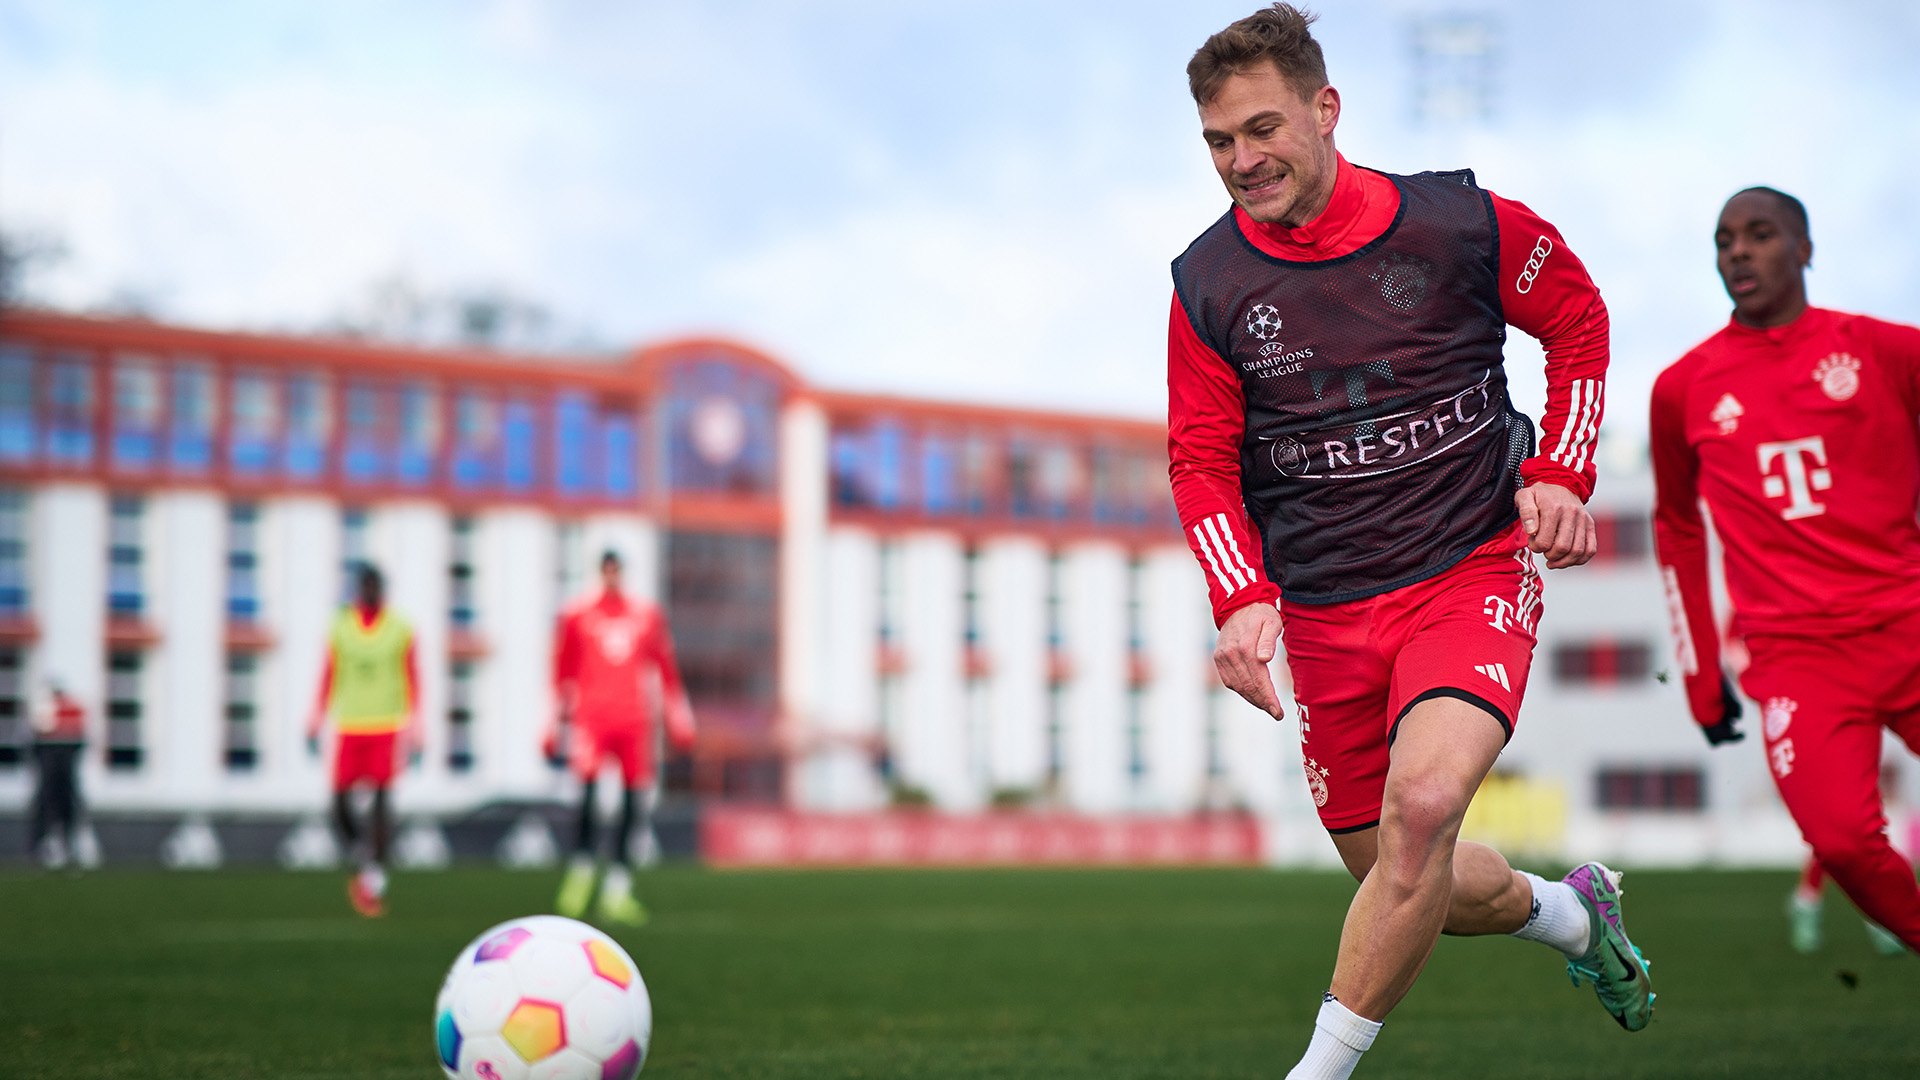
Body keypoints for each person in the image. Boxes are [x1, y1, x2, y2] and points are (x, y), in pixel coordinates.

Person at [1168, 7, 1646, 1075]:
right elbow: (1200, 459)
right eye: (1218, 143)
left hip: (1466, 570)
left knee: (1423, 808)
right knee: (1398, 867)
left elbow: (1579, 321)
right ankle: (1573, 916)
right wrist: (1241, 595)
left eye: (1262, 130)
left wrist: (1560, 470)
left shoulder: (1461, 226)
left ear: (1326, 111)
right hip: (1327, 608)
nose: (1243, 162)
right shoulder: (1206, 286)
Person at [1650, 185, 1920, 957]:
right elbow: (1674, 529)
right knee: (1842, 843)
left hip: (1907, 621)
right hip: (1800, 659)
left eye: (1760, 234)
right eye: (1724, 238)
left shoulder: (1884, 350)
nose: (1737, 250)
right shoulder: (1683, 388)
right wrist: (1701, 674)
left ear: (1804, 249)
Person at [548, 550, 695, 926]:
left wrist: (678, 718)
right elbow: (560, 672)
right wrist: (552, 722)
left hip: (634, 721)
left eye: (616, 569)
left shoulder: (646, 615)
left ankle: (618, 886)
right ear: (600, 572)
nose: (611, 575)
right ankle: (580, 875)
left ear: (622, 573)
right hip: (592, 721)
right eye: (606, 569)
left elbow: (665, 670)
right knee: (587, 795)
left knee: (633, 802)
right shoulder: (577, 615)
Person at [305, 564, 420, 918]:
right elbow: (329, 672)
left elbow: (413, 676)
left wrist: (416, 726)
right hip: (350, 724)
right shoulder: (340, 626)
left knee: (383, 801)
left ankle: (374, 875)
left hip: (385, 724)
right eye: (365, 585)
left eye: (375, 585)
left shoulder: (400, 627)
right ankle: (361, 853)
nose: (370, 591)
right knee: (339, 804)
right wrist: (315, 718)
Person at [29, 679, 88, 869]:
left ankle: (68, 846)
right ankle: (42, 846)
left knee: (66, 805)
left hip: (64, 782)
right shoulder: (43, 709)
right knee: (46, 803)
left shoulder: (68, 710)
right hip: (49, 783)